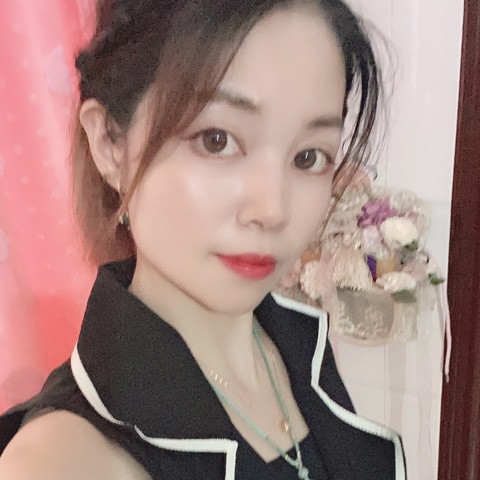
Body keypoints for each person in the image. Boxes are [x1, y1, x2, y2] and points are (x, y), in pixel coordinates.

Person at [0, 1, 406, 478]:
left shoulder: (298, 349)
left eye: (309, 157)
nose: (272, 210)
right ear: (110, 143)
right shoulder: (62, 460)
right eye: (217, 140)